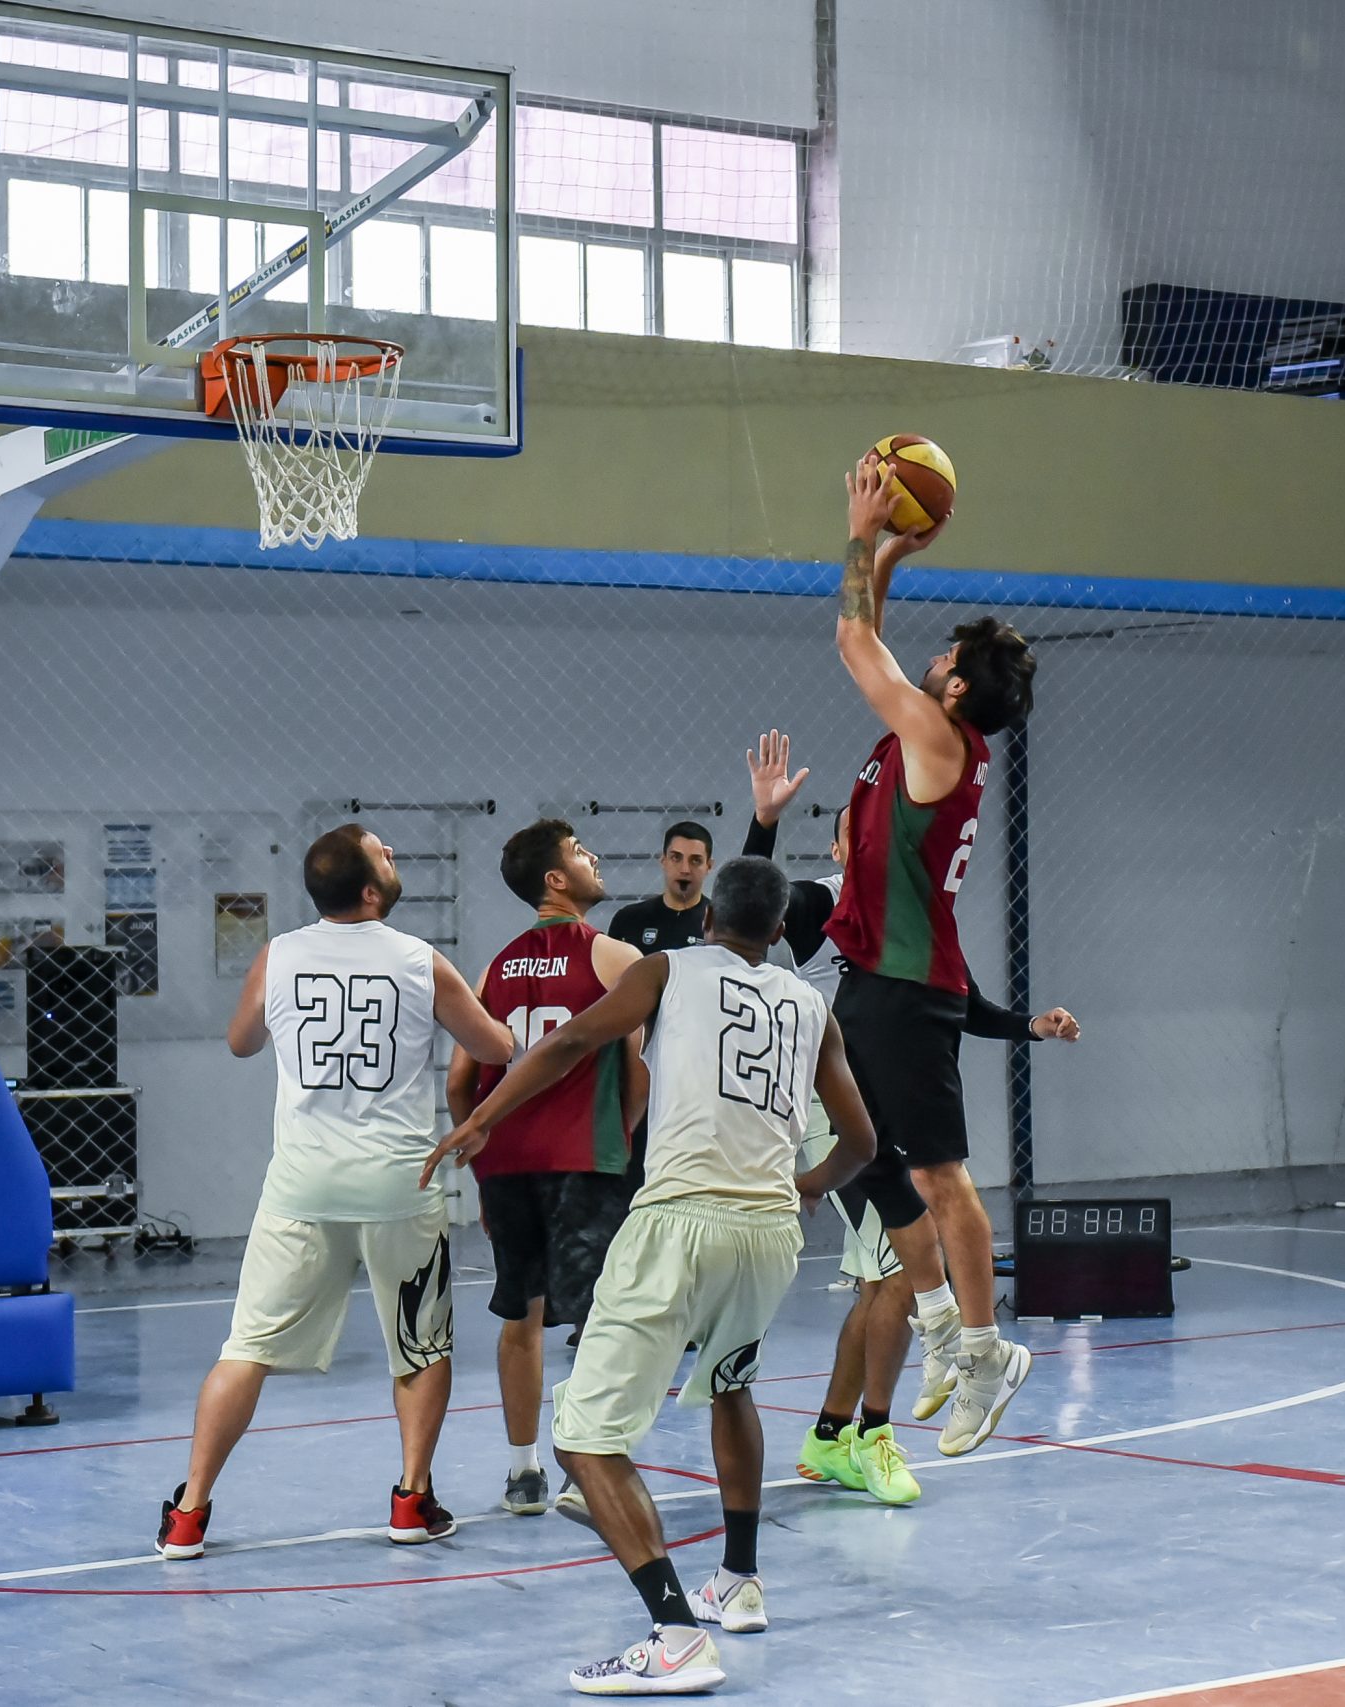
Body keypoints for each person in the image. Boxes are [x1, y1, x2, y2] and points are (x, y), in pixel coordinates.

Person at [421, 857, 879, 1696]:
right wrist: (809, 1186)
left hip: (679, 1223)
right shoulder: (813, 1005)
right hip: (770, 1232)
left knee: (586, 1437)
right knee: (731, 1387)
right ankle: (738, 1581)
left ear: (708, 918)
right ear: (778, 931)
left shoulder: (666, 968)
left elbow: (568, 1042)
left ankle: (674, 1632)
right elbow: (862, 1143)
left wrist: (483, 1116)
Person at [156, 824, 518, 1562]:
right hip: (399, 1183)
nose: (396, 855)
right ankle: (412, 1499)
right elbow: (497, 1048)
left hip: (302, 1185)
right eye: (386, 852)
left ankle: (189, 1512)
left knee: (246, 1347)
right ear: (368, 888)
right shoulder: (421, 962)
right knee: (420, 1345)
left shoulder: (279, 953)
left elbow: (240, 1042)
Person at [738, 731, 1075, 1504]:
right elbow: (747, 901)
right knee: (890, 1273)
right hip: (839, 1105)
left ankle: (853, 1423)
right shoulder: (823, 900)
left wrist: (1030, 1027)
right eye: (861, 825)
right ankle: (887, 1414)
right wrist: (763, 820)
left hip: (881, 1094)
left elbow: (961, 1001)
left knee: (882, 1278)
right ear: (843, 843)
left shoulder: (914, 919)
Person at [828, 453, 1048, 1457]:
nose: (926, 661)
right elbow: (870, 635)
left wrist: (861, 532)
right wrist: (893, 554)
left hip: (911, 992)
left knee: (941, 1177)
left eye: (944, 657)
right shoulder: (934, 740)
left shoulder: (934, 733)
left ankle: (985, 1345)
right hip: (878, 979)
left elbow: (851, 638)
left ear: (954, 686)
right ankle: (932, 1322)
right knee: (861, 1156)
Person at [447, 819, 649, 1518]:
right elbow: (638, 1067)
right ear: (556, 879)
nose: (594, 858)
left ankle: (521, 1471)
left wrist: (482, 1153)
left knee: (519, 1312)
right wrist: (619, 1139)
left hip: (505, 1163)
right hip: (580, 1159)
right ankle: (581, 1465)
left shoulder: (493, 966)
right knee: (597, 1314)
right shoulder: (612, 955)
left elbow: (458, 1079)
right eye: (580, 852)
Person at [606, 820, 716, 952]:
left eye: (695, 860)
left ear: (709, 866)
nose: (685, 869)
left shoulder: (721, 926)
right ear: (663, 861)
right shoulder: (628, 920)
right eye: (676, 858)